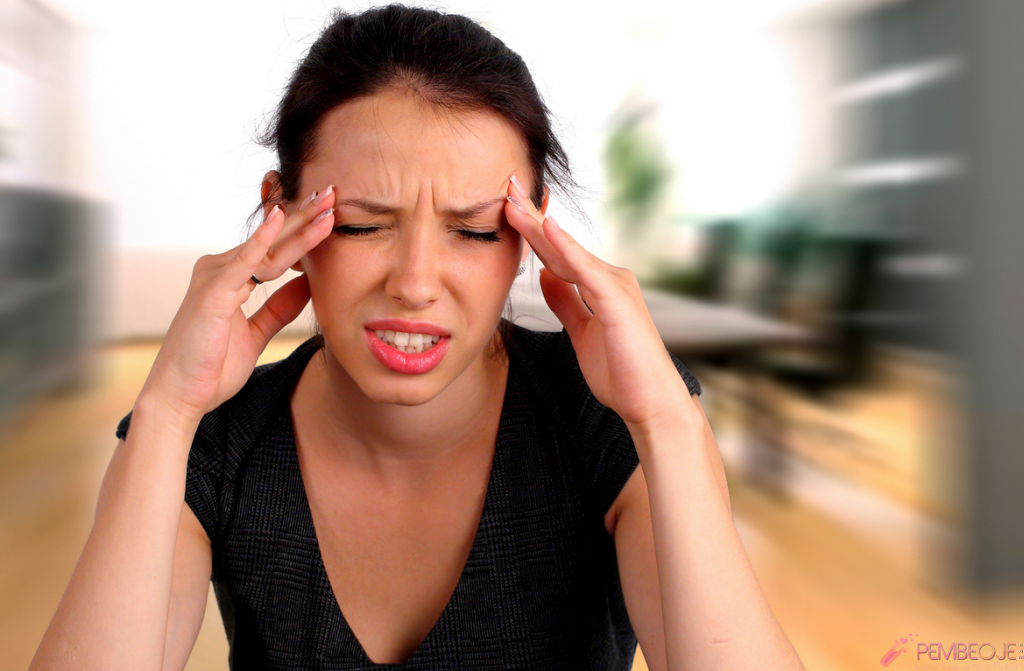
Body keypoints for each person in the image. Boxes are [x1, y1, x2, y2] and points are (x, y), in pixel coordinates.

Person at [30, 5, 806, 670]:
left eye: (475, 230)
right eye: (364, 224)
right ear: (280, 215)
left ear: (531, 236)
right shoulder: (209, 441)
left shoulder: (609, 426)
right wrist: (167, 410)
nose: (415, 283)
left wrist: (664, 420)